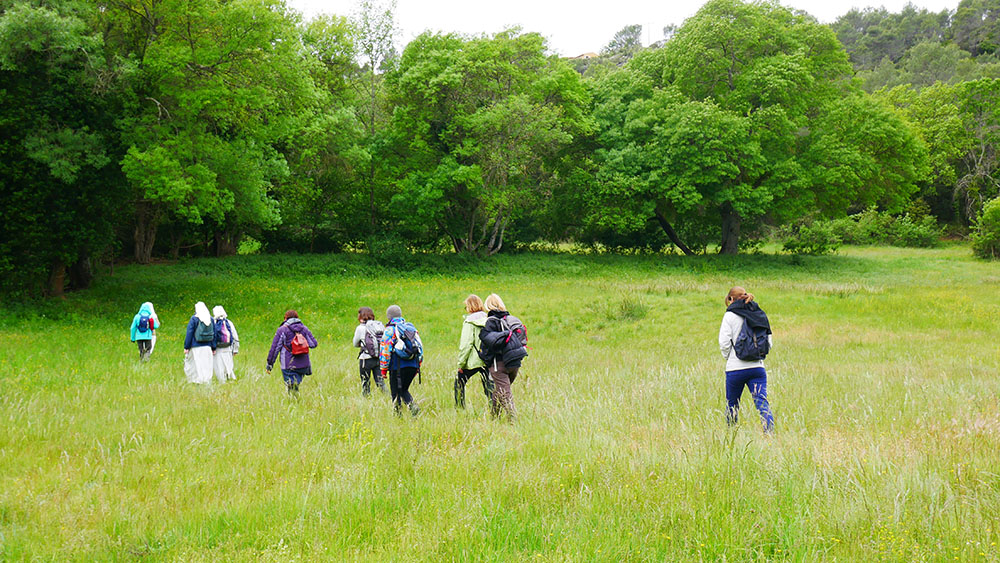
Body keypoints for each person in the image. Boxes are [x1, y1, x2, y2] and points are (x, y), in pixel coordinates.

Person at [718, 286, 775, 432]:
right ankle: (770, 434)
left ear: (731, 299)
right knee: (762, 403)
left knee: (732, 405)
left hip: (735, 369)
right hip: (757, 368)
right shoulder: (758, 313)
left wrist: (729, 358)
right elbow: (769, 341)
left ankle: (731, 434)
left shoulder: (729, 315)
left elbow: (724, 343)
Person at [478, 294, 528, 421]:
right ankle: (494, 418)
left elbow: (488, 344)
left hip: (498, 363)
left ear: (487, 306)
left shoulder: (490, 321)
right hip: (515, 362)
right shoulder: (512, 319)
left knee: (504, 393)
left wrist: (485, 359)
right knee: (500, 390)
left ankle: (513, 420)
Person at [379, 305, 423, 416]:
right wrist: (418, 365)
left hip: (397, 367)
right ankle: (413, 407)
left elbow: (385, 351)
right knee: (404, 389)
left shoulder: (389, 330)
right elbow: (420, 348)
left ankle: (398, 417)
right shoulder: (411, 328)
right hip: (413, 365)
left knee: (395, 393)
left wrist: (383, 369)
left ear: (388, 317)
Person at [266, 310, 318, 396]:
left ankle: (295, 405)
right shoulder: (304, 328)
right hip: (304, 365)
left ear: (285, 318)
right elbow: (313, 344)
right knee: (294, 387)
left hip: (288, 365)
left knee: (292, 388)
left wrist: (270, 364)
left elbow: (275, 348)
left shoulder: (282, 330)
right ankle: (296, 403)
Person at [455, 294, 493, 409]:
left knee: (459, 383)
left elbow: (466, 345)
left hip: (473, 360)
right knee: (489, 387)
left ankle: (460, 408)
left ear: (469, 307)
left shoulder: (469, 322)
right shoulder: (489, 320)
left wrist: (461, 364)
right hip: (487, 359)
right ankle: (494, 408)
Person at [352, 306, 387, 396]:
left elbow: (355, 343)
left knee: (365, 382)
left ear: (361, 316)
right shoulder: (379, 326)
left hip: (365, 358)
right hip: (378, 358)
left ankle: (366, 399)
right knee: (380, 383)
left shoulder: (360, 328)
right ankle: (390, 398)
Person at [183, 302, 217, 384]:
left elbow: (189, 333)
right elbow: (214, 334)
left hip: (196, 346)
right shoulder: (210, 319)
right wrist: (214, 347)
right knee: (207, 364)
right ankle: (207, 381)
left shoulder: (194, 319)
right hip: (208, 346)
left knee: (196, 364)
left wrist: (186, 346)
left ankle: (197, 381)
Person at [212, 305, 239, 382]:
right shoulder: (229, 322)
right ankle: (231, 378)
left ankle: (221, 380)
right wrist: (235, 349)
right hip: (228, 348)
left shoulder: (213, 322)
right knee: (228, 364)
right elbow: (235, 336)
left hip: (217, 349)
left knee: (219, 365)